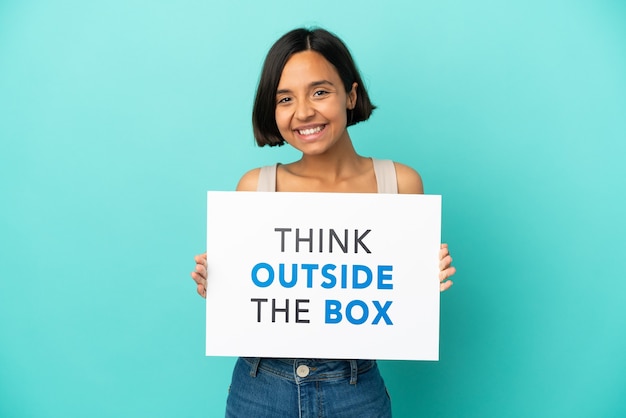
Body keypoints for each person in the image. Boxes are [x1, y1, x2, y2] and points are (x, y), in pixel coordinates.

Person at [190, 27, 456, 417]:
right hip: (260, 387)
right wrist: (221, 284)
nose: (303, 112)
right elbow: (251, 298)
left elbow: (394, 300)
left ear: (350, 94)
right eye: (285, 98)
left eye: (319, 92)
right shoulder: (256, 187)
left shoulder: (398, 184)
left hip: (354, 390)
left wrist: (422, 280)